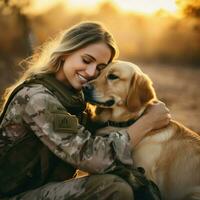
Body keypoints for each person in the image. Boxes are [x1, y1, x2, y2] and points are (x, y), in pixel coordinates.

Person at [0, 21, 171, 200]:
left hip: (44, 189)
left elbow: (100, 138)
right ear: (66, 52)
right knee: (114, 188)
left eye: (100, 68)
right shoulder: (38, 98)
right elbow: (93, 157)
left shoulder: (75, 98)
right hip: (13, 196)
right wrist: (148, 122)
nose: (90, 72)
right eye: (86, 60)